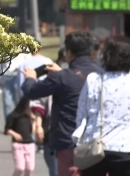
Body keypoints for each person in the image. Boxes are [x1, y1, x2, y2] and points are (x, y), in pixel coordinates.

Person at [21, 31, 102, 176]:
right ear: (91, 50)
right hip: (99, 145)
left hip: (69, 143)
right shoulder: (102, 74)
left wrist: (31, 77)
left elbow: (31, 91)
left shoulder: (62, 77)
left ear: (68, 53)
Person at [73, 36, 130, 176]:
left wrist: (79, 142)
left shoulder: (93, 79)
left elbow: (81, 115)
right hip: (127, 148)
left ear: (106, 56)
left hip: (94, 147)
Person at [5, 96, 36, 176]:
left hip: (29, 145)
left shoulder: (29, 118)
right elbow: (7, 130)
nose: (30, 110)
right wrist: (15, 134)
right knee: (20, 168)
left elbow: (32, 132)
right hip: (18, 145)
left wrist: (34, 120)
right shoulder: (13, 116)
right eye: (29, 107)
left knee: (29, 168)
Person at [30, 97, 57, 176]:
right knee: (55, 169)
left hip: (76, 131)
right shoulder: (50, 84)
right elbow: (39, 103)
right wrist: (38, 125)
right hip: (51, 129)